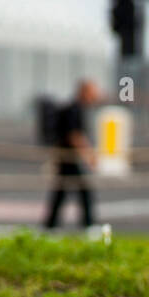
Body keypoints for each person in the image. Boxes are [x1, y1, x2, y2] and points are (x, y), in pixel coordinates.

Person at [44, 79, 101, 230]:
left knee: (62, 191)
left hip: (68, 157)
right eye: (92, 93)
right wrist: (89, 155)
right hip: (68, 158)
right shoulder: (74, 109)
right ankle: (88, 225)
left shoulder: (75, 108)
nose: (94, 97)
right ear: (84, 92)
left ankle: (50, 225)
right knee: (82, 190)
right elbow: (74, 136)